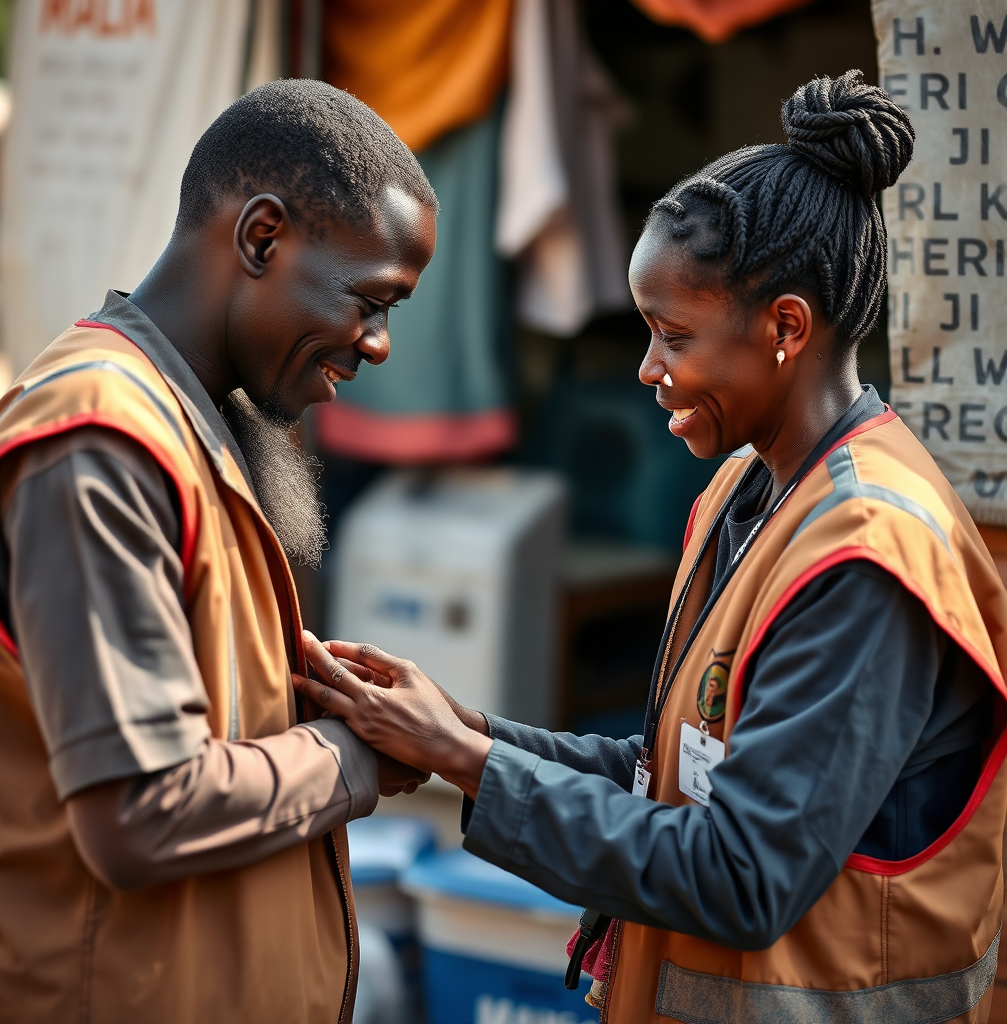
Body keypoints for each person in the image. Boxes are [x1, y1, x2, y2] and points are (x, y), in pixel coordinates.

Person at [295, 71, 1007, 1024]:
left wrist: (472, 767)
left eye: (674, 336)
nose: (649, 370)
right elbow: (668, 770)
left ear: (785, 327)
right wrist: (466, 733)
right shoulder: (746, 492)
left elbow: (742, 876)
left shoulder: (866, 554)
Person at [0, 80, 437, 1024]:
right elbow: (138, 812)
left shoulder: (192, 424)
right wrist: (349, 757)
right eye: (371, 300)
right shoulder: (99, 441)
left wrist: (308, 691)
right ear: (262, 237)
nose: (381, 345)